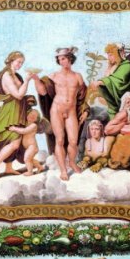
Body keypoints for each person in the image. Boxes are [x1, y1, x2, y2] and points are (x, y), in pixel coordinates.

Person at [48, 48, 87, 180]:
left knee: (73, 141)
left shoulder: (77, 76)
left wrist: (85, 110)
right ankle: (63, 170)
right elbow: (43, 91)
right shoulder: (53, 76)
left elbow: (84, 96)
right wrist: (35, 79)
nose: (61, 61)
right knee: (59, 140)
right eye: (59, 59)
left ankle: (72, 162)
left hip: (71, 111)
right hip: (57, 110)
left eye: (63, 58)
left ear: (70, 58)